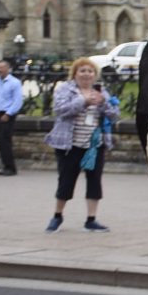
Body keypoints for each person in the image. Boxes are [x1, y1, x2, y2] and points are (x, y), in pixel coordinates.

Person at [45, 58, 122, 233]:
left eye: (90, 71)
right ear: (75, 73)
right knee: (66, 181)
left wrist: (103, 103)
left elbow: (114, 115)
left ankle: (91, 220)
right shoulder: (66, 89)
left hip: (94, 145)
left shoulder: (101, 91)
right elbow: (60, 110)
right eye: (82, 71)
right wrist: (83, 101)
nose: (86, 74)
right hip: (69, 145)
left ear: (95, 75)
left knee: (94, 181)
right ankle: (57, 216)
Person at [0, 60, 25, 176]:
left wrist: (9, 114)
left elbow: (18, 101)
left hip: (7, 114)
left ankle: (10, 167)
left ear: (8, 69)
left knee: (5, 140)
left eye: (1, 68)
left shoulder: (14, 83)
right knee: (0, 141)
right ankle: (5, 165)